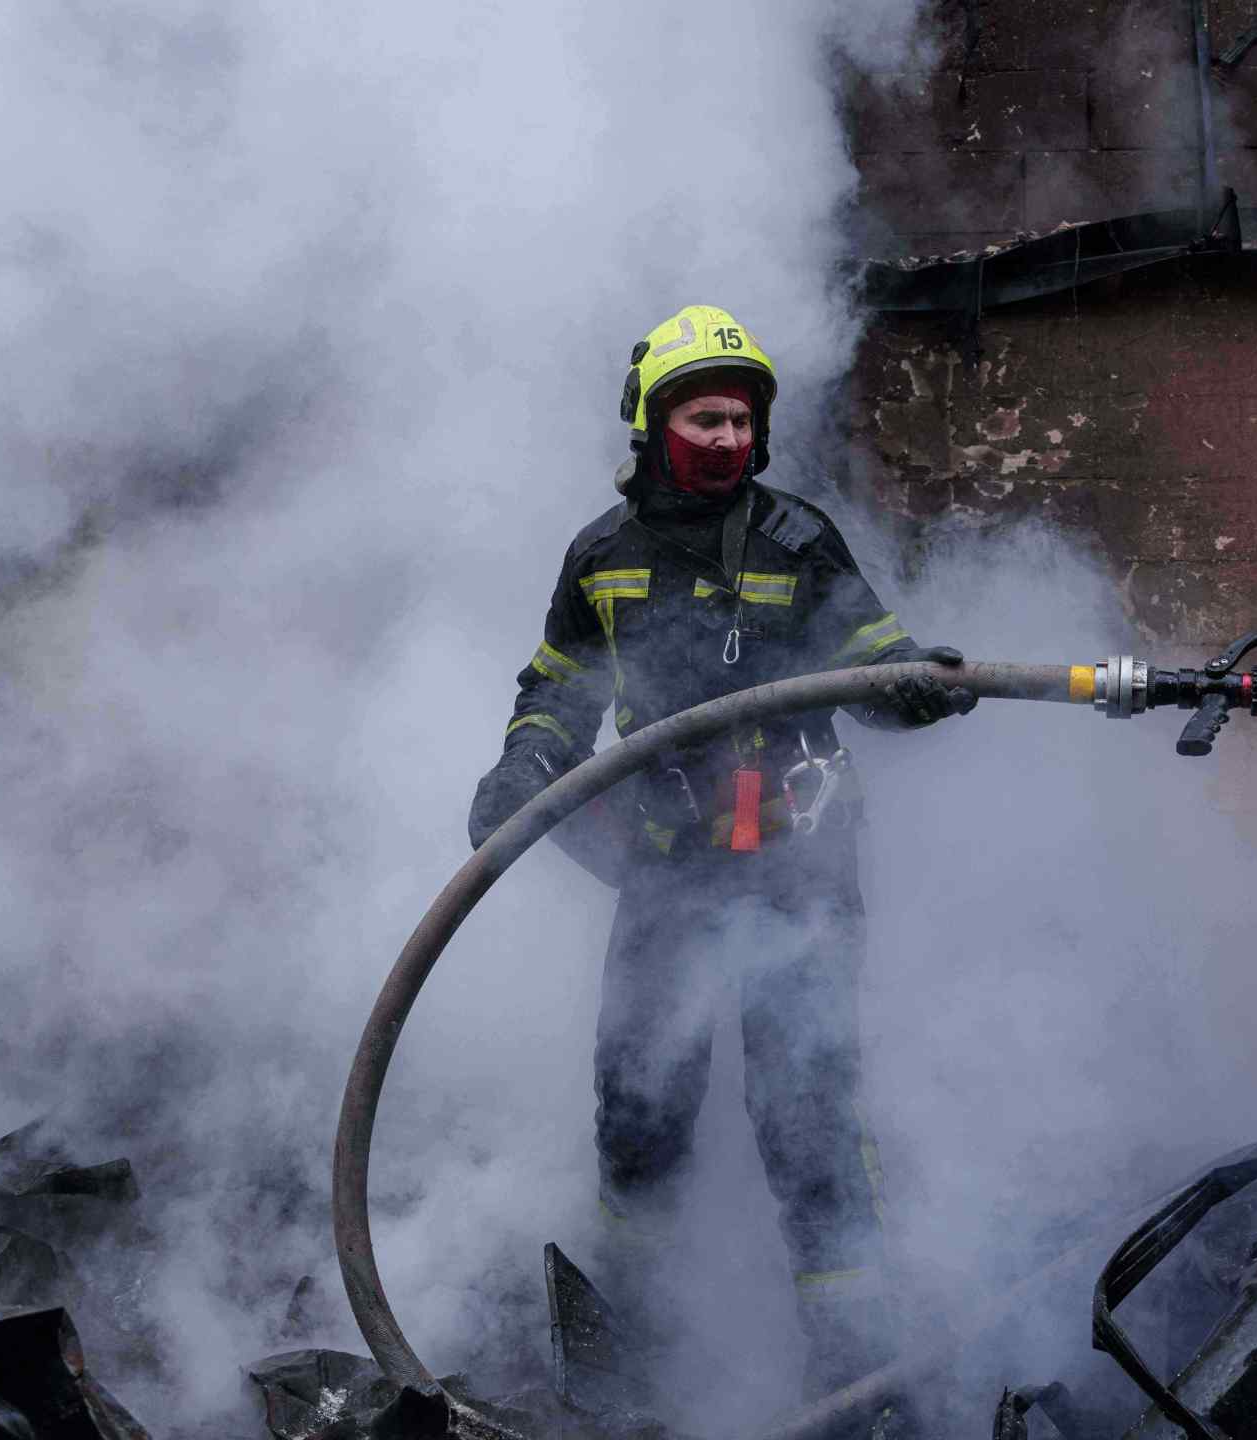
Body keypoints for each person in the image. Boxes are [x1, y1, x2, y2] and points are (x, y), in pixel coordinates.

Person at [466, 304, 974, 1393]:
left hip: (800, 878)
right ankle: (632, 1361)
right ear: (652, 424)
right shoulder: (600, 557)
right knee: (639, 1119)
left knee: (806, 1121)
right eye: (704, 418)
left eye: (742, 423)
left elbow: (875, 664)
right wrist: (522, 769)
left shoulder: (798, 540)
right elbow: (556, 692)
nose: (728, 441)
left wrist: (918, 686)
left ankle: (855, 1376)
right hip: (668, 881)